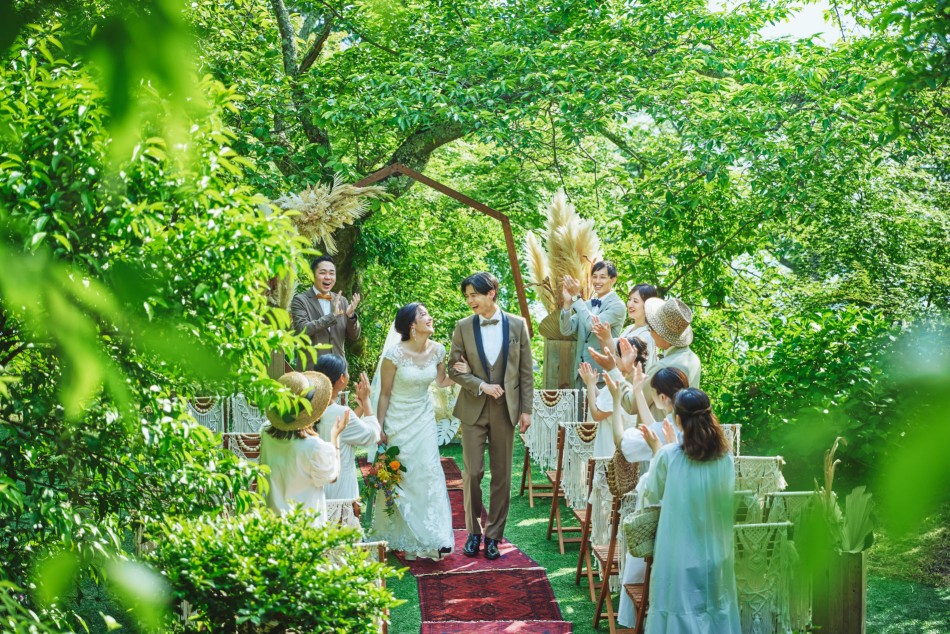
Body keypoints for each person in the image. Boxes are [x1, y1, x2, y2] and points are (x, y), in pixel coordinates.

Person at [637, 388, 740, 634]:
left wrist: (658, 449)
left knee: (677, 609)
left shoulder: (668, 456)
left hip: (678, 553)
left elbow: (651, 493)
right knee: (716, 607)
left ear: (678, 419)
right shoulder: (725, 458)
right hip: (716, 552)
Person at [448, 272, 533, 561]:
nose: (470, 300)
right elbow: (453, 368)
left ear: (491, 293)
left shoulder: (518, 325)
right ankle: (473, 532)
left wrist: (526, 410)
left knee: (502, 475)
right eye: (467, 296)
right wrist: (480, 384)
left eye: (474, 294)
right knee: (472, 472)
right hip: (473, 407)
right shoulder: (463, 327)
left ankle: (494, 536)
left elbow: (526, 372)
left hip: (506, 408)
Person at [368, 303, 456, 560]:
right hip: (398, 421)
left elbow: (441, 381)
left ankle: (435, 536)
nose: (430, 317)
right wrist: (379, 428)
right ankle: (402, 535)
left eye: (428, 313)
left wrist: (465, 374)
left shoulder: (438, 350)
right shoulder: (393, 355)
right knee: (402, 476)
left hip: (424, 419)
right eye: (423, 315)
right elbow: (384, 394)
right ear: (411, 325)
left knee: (428, 471)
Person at [259, 371, 349, 526]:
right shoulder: (314, 446)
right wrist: (335, 437)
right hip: (306, 527)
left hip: (273, 524)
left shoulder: (265, 433)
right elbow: (332, 476)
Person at [592, 296, 700, 419]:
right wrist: (631, 369)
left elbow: (631, 404)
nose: (650, 333)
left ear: (662, 335)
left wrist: (613, 370)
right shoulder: (693, 359)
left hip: (658, 429)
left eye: (651, 328)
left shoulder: (663, 367)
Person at [314, 354, 380, 501]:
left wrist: (360, 408)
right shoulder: (339, 412)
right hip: (340, 487)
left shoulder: (312, 407)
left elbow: (344, 427)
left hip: (317, 486)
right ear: (341, 378)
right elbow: (372, 435)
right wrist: (366, 401)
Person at [559, 261, 626, 388]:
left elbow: (592, 325)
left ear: (613, 280)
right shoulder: (587, 304)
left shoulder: (618, 306)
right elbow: (566, 330)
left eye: (602, 277)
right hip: (581, 373)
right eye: (594, 277)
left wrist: (576, 297)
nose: (597, 281)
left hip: (603, 376)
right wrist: (567, 303)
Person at [578, 337, 648, 459]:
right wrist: (592, 383)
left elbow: (597, 414)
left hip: (611, 450)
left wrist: (589, 384)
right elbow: (602, 400)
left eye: (617, 354)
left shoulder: (620, 383)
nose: (614, 359)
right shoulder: (633, 380)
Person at [291, 256, 362, 370]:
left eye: (332, 273)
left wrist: (351, 317)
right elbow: (301, 329)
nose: (328, 277)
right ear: (313, 275)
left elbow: (354, 336)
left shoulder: (342, 300)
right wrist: (331, 316)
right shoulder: (301, 300)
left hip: (338, 371)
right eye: (323, 273)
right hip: (312, 370)